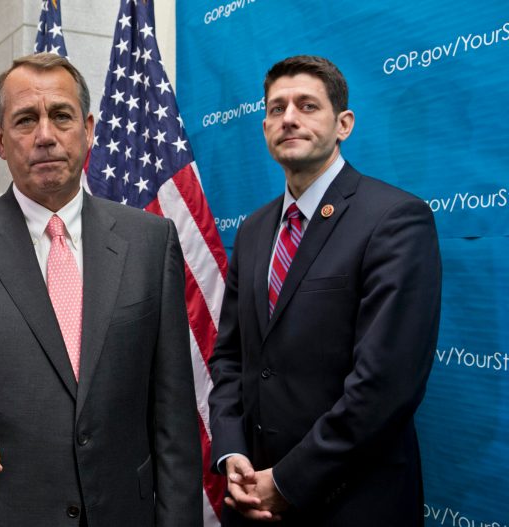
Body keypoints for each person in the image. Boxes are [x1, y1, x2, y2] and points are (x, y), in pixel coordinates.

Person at [0, 53, 202, 527]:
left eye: (61, 115)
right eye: (25, 120)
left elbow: (173, 412)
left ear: (89, 128)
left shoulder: (151, 242)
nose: (46, 136)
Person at [208, 55, 441, 526]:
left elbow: (384, 386)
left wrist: (289, 481)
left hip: (352, 502)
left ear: (344, 124)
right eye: (276, 108)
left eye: (307, 105)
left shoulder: (394, 219)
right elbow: (230, 359)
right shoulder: (253, 230)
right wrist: (231, 452)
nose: (288, 118)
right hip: (253, 499)